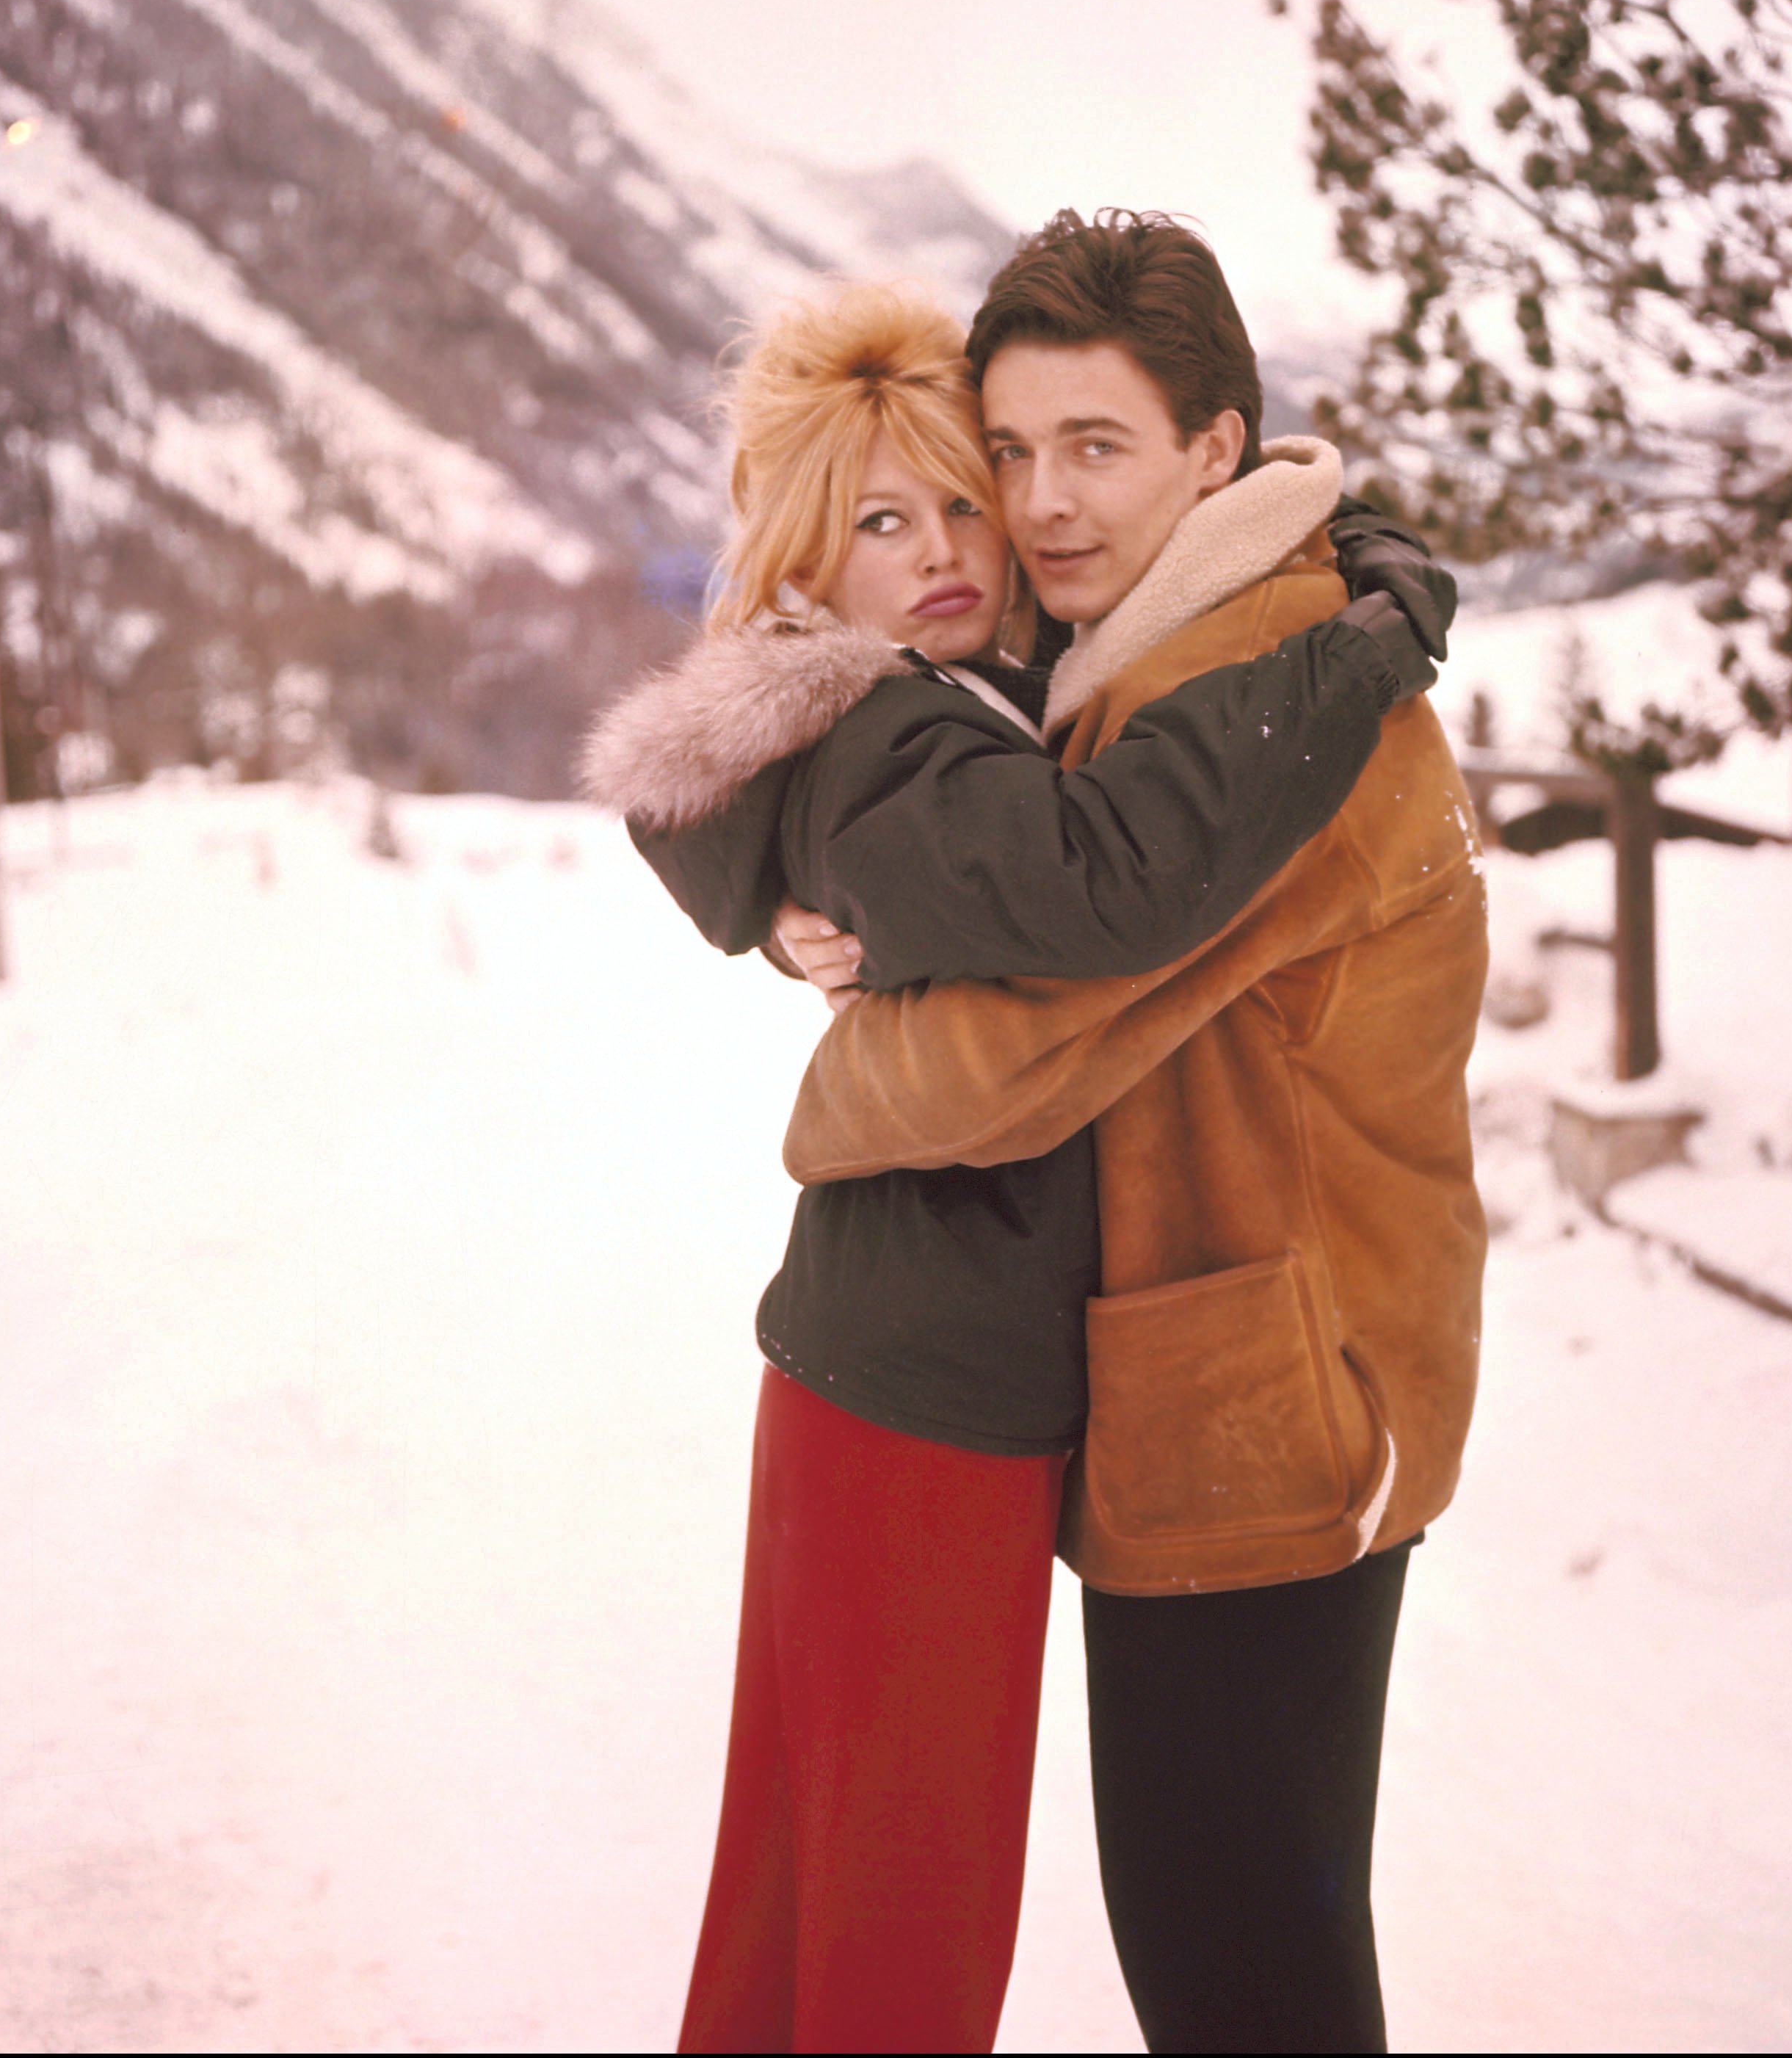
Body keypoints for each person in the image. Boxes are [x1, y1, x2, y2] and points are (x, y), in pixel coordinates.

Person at [580, 280, 1454, 2053]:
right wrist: (1366, 613)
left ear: (1208, 456)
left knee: (847, 1894)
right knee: (898, 1910)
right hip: (936, 1393)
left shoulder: (1026, 683)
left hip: (1124, 1388)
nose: (997, 527)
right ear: (804, 567)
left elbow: (1061, 902)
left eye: (970, 494)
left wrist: (1352, 561)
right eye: (889, 519)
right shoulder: (911, 716)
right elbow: (1082, 891)